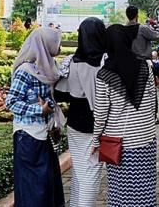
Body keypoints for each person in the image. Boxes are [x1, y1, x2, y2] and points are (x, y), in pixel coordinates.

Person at [92, 24, 158, 207]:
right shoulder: (146, 67)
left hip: (119, 144)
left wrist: (96, 141)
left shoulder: (104, 75)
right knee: (144, 190)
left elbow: (100, 114)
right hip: (146, 141)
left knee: (120, 193)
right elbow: (153, 102)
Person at [5, 28, 64, 207]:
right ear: (45, 44)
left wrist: (49, 108)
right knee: (33, 187)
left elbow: (50, 98)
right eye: (56, 42)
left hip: (44, 134)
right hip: (28, 136)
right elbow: (11, 102)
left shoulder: (49, 66)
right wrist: (39, 110)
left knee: (46, 185)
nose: (59, 46)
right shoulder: (26, 70)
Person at [54, 17, 106, 207]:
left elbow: (60, 92)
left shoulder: (71, 61)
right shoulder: (104, 63)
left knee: (80, 172)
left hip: (75, 123)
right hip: (96, 124)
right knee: (91, 174)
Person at [126, 6, 159, 124]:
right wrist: (157, 26)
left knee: (132, 90)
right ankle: (153, 116)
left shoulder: (123, 29)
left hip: (129, 64)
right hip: (143, 63)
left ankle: (133, 115)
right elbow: (157, 36)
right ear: (137, 15)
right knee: (150, 91)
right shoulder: (142, 28)